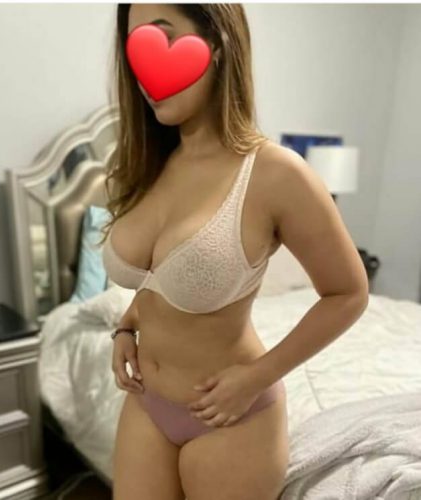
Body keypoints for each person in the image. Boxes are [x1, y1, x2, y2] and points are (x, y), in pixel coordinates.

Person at [101, 4, 369, 500]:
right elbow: (159, 280)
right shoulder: (146, 164)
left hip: (232, 416)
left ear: (219, 45)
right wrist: (125, 325)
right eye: (135, 50)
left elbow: (348, 293)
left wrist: (257, 377)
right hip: (146, 403)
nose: (146, 70)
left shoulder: (276, 173)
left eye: (163, 37)